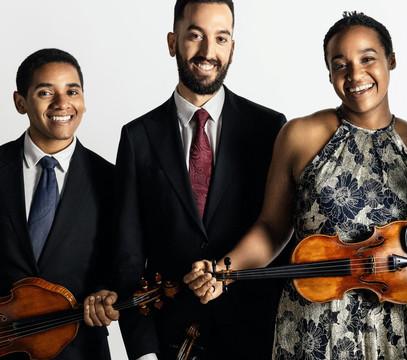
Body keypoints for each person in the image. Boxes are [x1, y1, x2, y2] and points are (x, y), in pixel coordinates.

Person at [184, 11, 407, 360]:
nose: (355, 75)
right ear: (330, 74)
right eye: (340, 65)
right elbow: (272, 227)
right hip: (313, 324)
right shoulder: (298, 135)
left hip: (393, 328)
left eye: (368, 59)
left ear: (391, 60)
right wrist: (224, 272)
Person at [105, 0, 287, 359]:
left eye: (221, 38)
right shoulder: (137, 137)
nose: (208, 51)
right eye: (195, 36)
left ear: (232, 49)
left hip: (256, 339)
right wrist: (143, 353)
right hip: (169, 339)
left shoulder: (269, 128)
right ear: (173, 42)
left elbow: (278, 235)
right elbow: (127, 256)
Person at [0, 48, 116, 359]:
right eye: (45, 92)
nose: (61, 103)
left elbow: (122, 260)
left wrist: (107, 291)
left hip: (80, 348)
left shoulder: (112, 180)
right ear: (20, 101)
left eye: (72, 91)